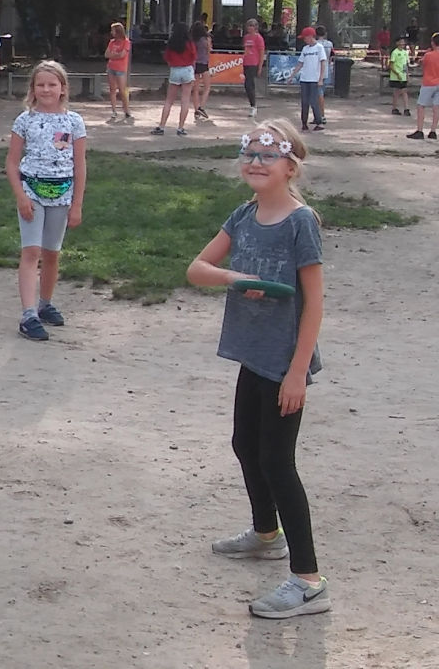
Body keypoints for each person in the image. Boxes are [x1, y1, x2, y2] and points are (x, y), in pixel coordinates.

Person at [186, 119, 330, 619]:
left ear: (291, 166)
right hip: (254, 354)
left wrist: (297, 373)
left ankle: (308, 582)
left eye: (268, 155)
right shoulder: (244, 216)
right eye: (249, 153)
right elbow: (197, 269)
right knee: (245, 445)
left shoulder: (300, 223)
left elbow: (314, 303)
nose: (256, 162)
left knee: (277, 462)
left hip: (284, 360)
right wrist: (235, 277)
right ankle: (267, 534)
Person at [6, 62, 88, 341]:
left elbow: (80, 165)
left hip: (62, 194)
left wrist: (77, 204)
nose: (46, 89)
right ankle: (28, 314)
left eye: (52, 84)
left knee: (52, 253)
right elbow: (12, 162)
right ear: (33, 89)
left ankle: (45, 304)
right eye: (40, 84)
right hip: (32, 191)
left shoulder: (74, 122)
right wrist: (21, 196)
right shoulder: (24, 120)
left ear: (62, 88)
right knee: (31, 251)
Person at [153, 23, 198, 136]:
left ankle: (161, 126)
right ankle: (180, 128)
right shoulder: (190, 43)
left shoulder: (171, 43)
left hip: (175, 70)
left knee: (169, 100)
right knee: (185, 100)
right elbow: (194, 57)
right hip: (187, 70)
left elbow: (167, 58)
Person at [410, 33, 439, 140]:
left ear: (432, 42)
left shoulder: (428, 55)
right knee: (436, 107)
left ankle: (420, 130)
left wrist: (425, 54)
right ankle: (433, 131)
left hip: (428, 83)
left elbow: (421, 64)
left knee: (421, 106)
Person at [295, 27, 328, 132]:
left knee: (314, 101)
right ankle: (304, 123)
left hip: (314, 79)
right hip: (305, 79)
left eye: (305, 38)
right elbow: (300, 63)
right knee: (304, 102)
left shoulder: (319, 48)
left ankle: (319, 122)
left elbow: (323, 63)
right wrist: (292, 75)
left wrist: (321, 78)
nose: (304, 40)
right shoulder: (305, 49)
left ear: (310, 37)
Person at [105, 21, 134, 124]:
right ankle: (114, 111)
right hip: (111, 67)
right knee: (112, 89)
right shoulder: (112, 42)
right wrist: (115, 55)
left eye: (113, 30)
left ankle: (126, 110)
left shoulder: (126, 42)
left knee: (122, 90)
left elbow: (122, 55)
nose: (111, 32)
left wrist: (113, 55)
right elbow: (106, 54)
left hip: (121, 69)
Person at [243, 17, 267, 118]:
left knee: (249, 84)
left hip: (254, 63)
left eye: (252, 26)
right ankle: (252, 104)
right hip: (246, 63)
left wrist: (260, 66)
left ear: (256, 27)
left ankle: (253, 106)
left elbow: (261, 53)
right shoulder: (246, 37)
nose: (250, 28)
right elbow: (245, 50)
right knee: (247, 85)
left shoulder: (258, 38)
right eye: (249, 26)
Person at [193, 21, 214, 120]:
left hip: (195, 64)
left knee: (195, 89)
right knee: (207, 87)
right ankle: (201, 107)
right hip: (204, 63)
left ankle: (196, 109)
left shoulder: (193, 39)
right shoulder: (206, 39)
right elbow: (209, 50)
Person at [386, 38, 412, 117]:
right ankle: (397, 108)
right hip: (396, 77)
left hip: (403, 76)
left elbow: (405, 65)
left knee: (403, 91)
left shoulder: (405, 53)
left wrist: (407, 75)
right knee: (397, 92)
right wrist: (397, 74)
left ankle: (404, 109)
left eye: (403, 42)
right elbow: (391, 65)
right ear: (397, 43)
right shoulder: (395, 52)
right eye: (400, 42)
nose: (402, 44)